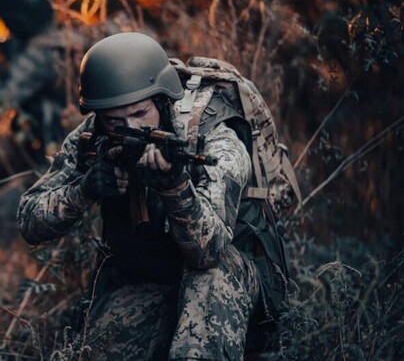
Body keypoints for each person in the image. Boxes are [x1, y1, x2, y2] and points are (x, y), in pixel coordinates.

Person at [17, 32, 260, 360]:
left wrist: (175, 189)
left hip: (225, 279)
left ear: (162, 98)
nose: (130, 127)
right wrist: (84, 189)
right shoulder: (94, 133)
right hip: (145, 279)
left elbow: (209, 253)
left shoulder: (214, 140)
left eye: (141, 113)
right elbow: (30, 221)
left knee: (209, 279)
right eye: (116, 120)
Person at [0, 0, 84, 166]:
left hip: (64, 162)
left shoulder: (42, 54)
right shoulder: (64, 38)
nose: (5, 27)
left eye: (6, 21)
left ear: (19, 21)